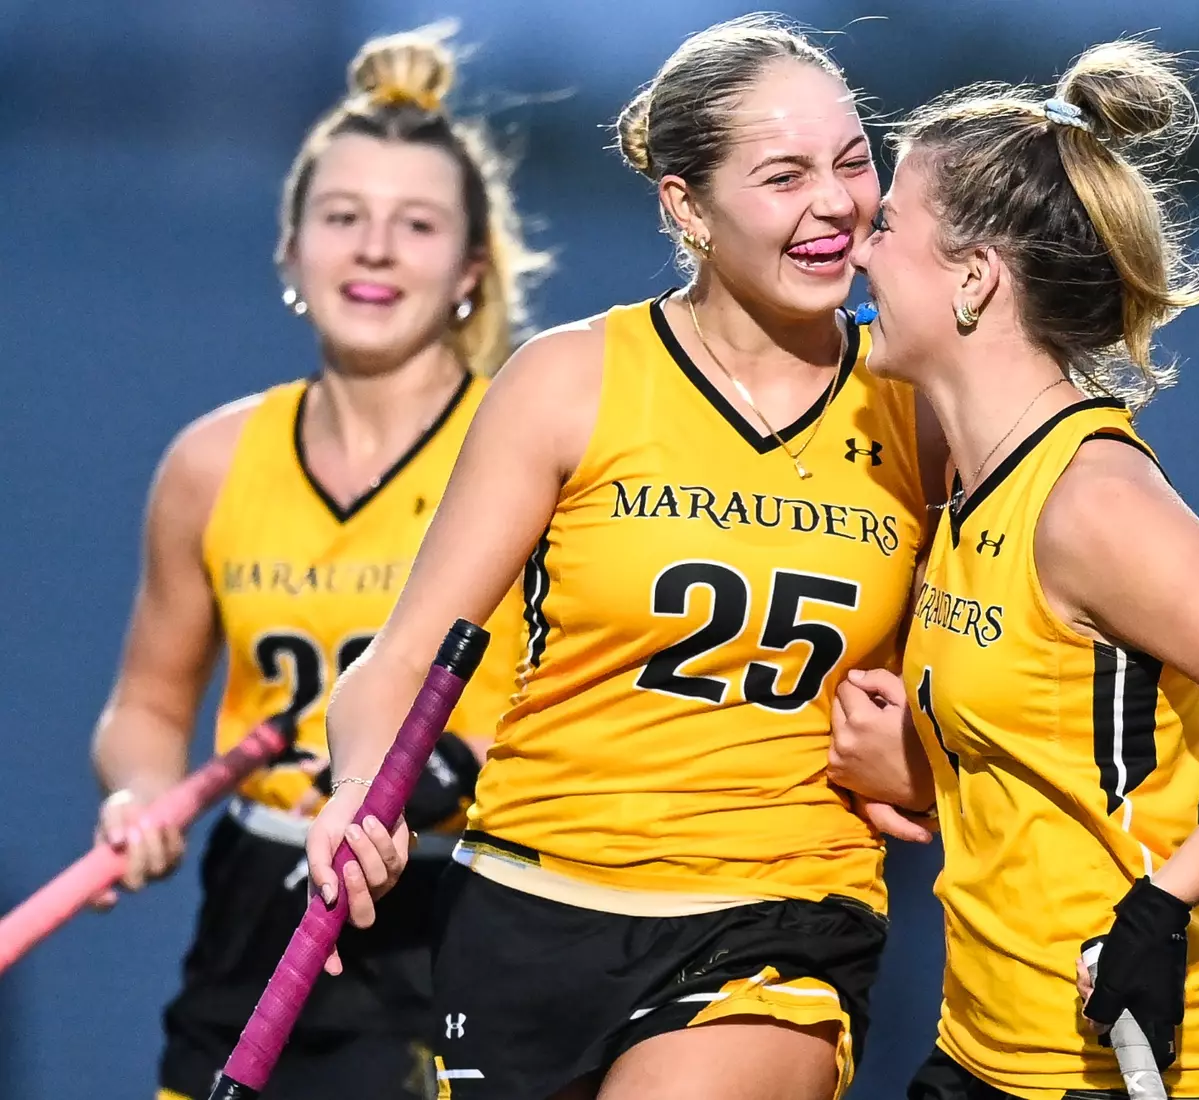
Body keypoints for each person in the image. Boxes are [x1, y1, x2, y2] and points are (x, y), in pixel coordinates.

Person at [305, 15, 939, 1100]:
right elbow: (401, 659)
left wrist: (928, 766)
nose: (834, 203)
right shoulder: (569, 380)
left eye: (850, 163)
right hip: (525, 910)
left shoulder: (923, 407)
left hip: (777, 921)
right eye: (782, 175)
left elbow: (997, 687)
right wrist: (360, 791)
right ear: (684, 204)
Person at [830, 39, 1199, 1100]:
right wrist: (921, 765)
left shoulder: (1089, 500)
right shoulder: (963, 478)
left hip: (1131, 1069)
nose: (859, 248)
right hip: (977, 1053)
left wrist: (1161, 906)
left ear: (973, 277)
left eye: (889, 223)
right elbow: (1061, 754)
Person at [90, 25, 545, 1100]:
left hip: (453, 909)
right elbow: (147, 705)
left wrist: (444, 775)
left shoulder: (532, 449)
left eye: (416, 224)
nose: (375, 250)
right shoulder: (210, 461)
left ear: (471, 269)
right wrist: (140, 796)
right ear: (291, 249)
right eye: (343, 218)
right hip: (258, 913)